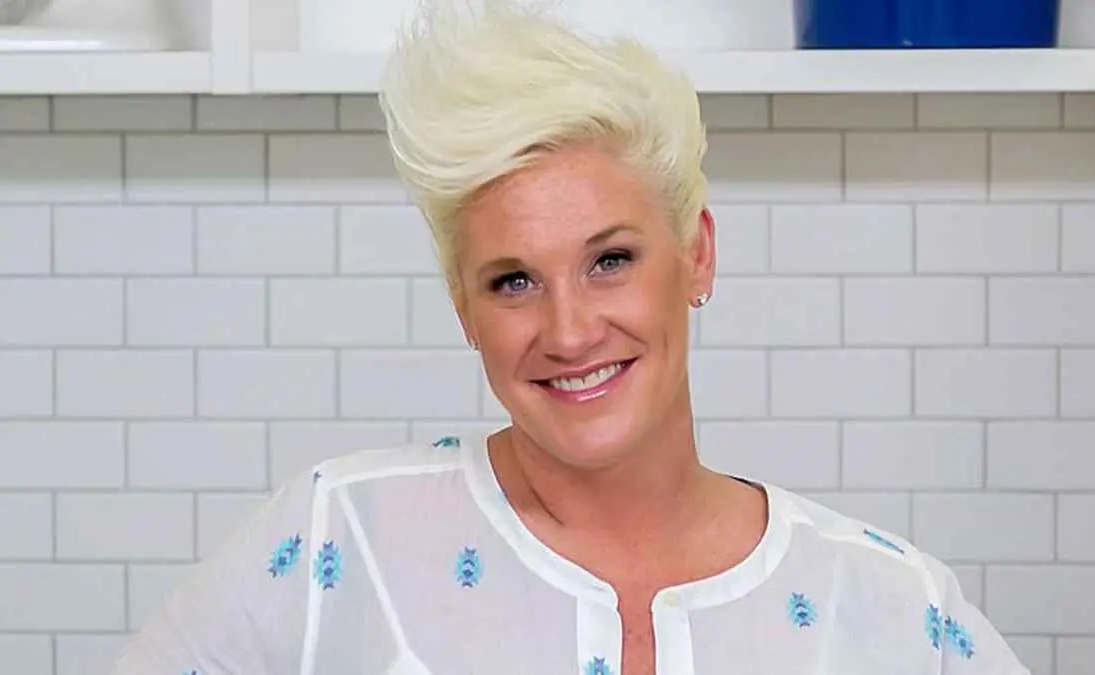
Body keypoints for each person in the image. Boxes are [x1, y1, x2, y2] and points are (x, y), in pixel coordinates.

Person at [111, 1, 1030, 673]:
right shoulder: (339, 540)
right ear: (464, 309)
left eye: (610, 260)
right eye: (513, 281)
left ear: (697, 255)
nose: (570, 328)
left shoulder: (886, 603)